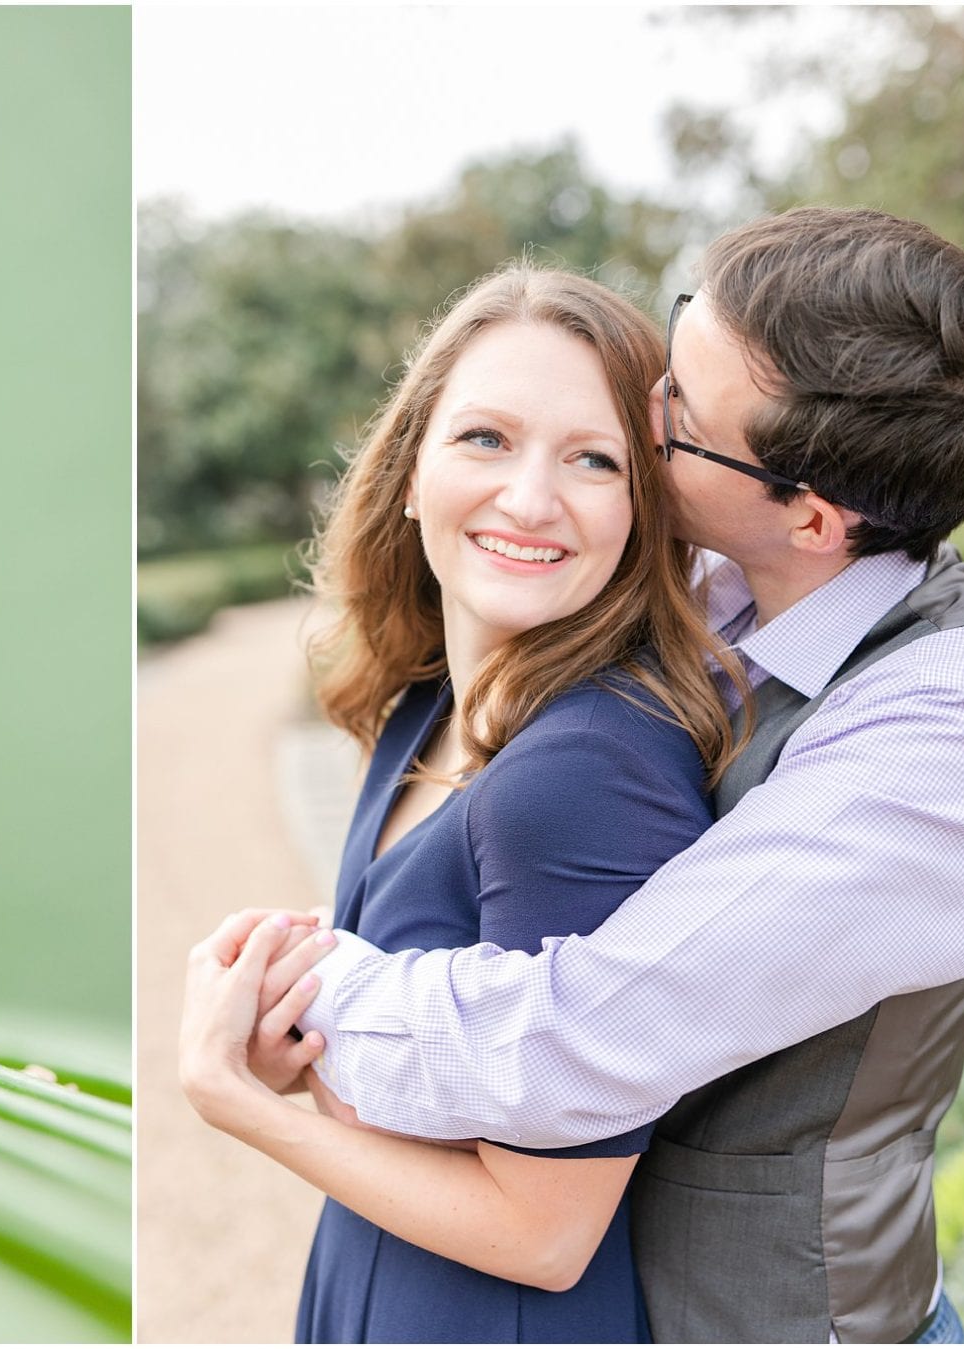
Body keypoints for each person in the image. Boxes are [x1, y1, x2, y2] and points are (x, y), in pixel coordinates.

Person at [260, 207, 964, 1343]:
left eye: (674, 416)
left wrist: (291, 1001)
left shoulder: (936, 743)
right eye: (676, 351)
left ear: (815, 515)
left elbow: (579, 1035)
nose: (647, 407)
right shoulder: (734, 580)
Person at [179, 264, 748, 1342]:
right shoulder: (426, 707)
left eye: (593, 458)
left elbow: (547, 1229)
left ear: (644, 509)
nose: (531, 498)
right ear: (409, 470)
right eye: (486, 438)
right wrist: (297, 1046)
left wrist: (237, 1099)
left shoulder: (587, 772)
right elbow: (447, 1106)